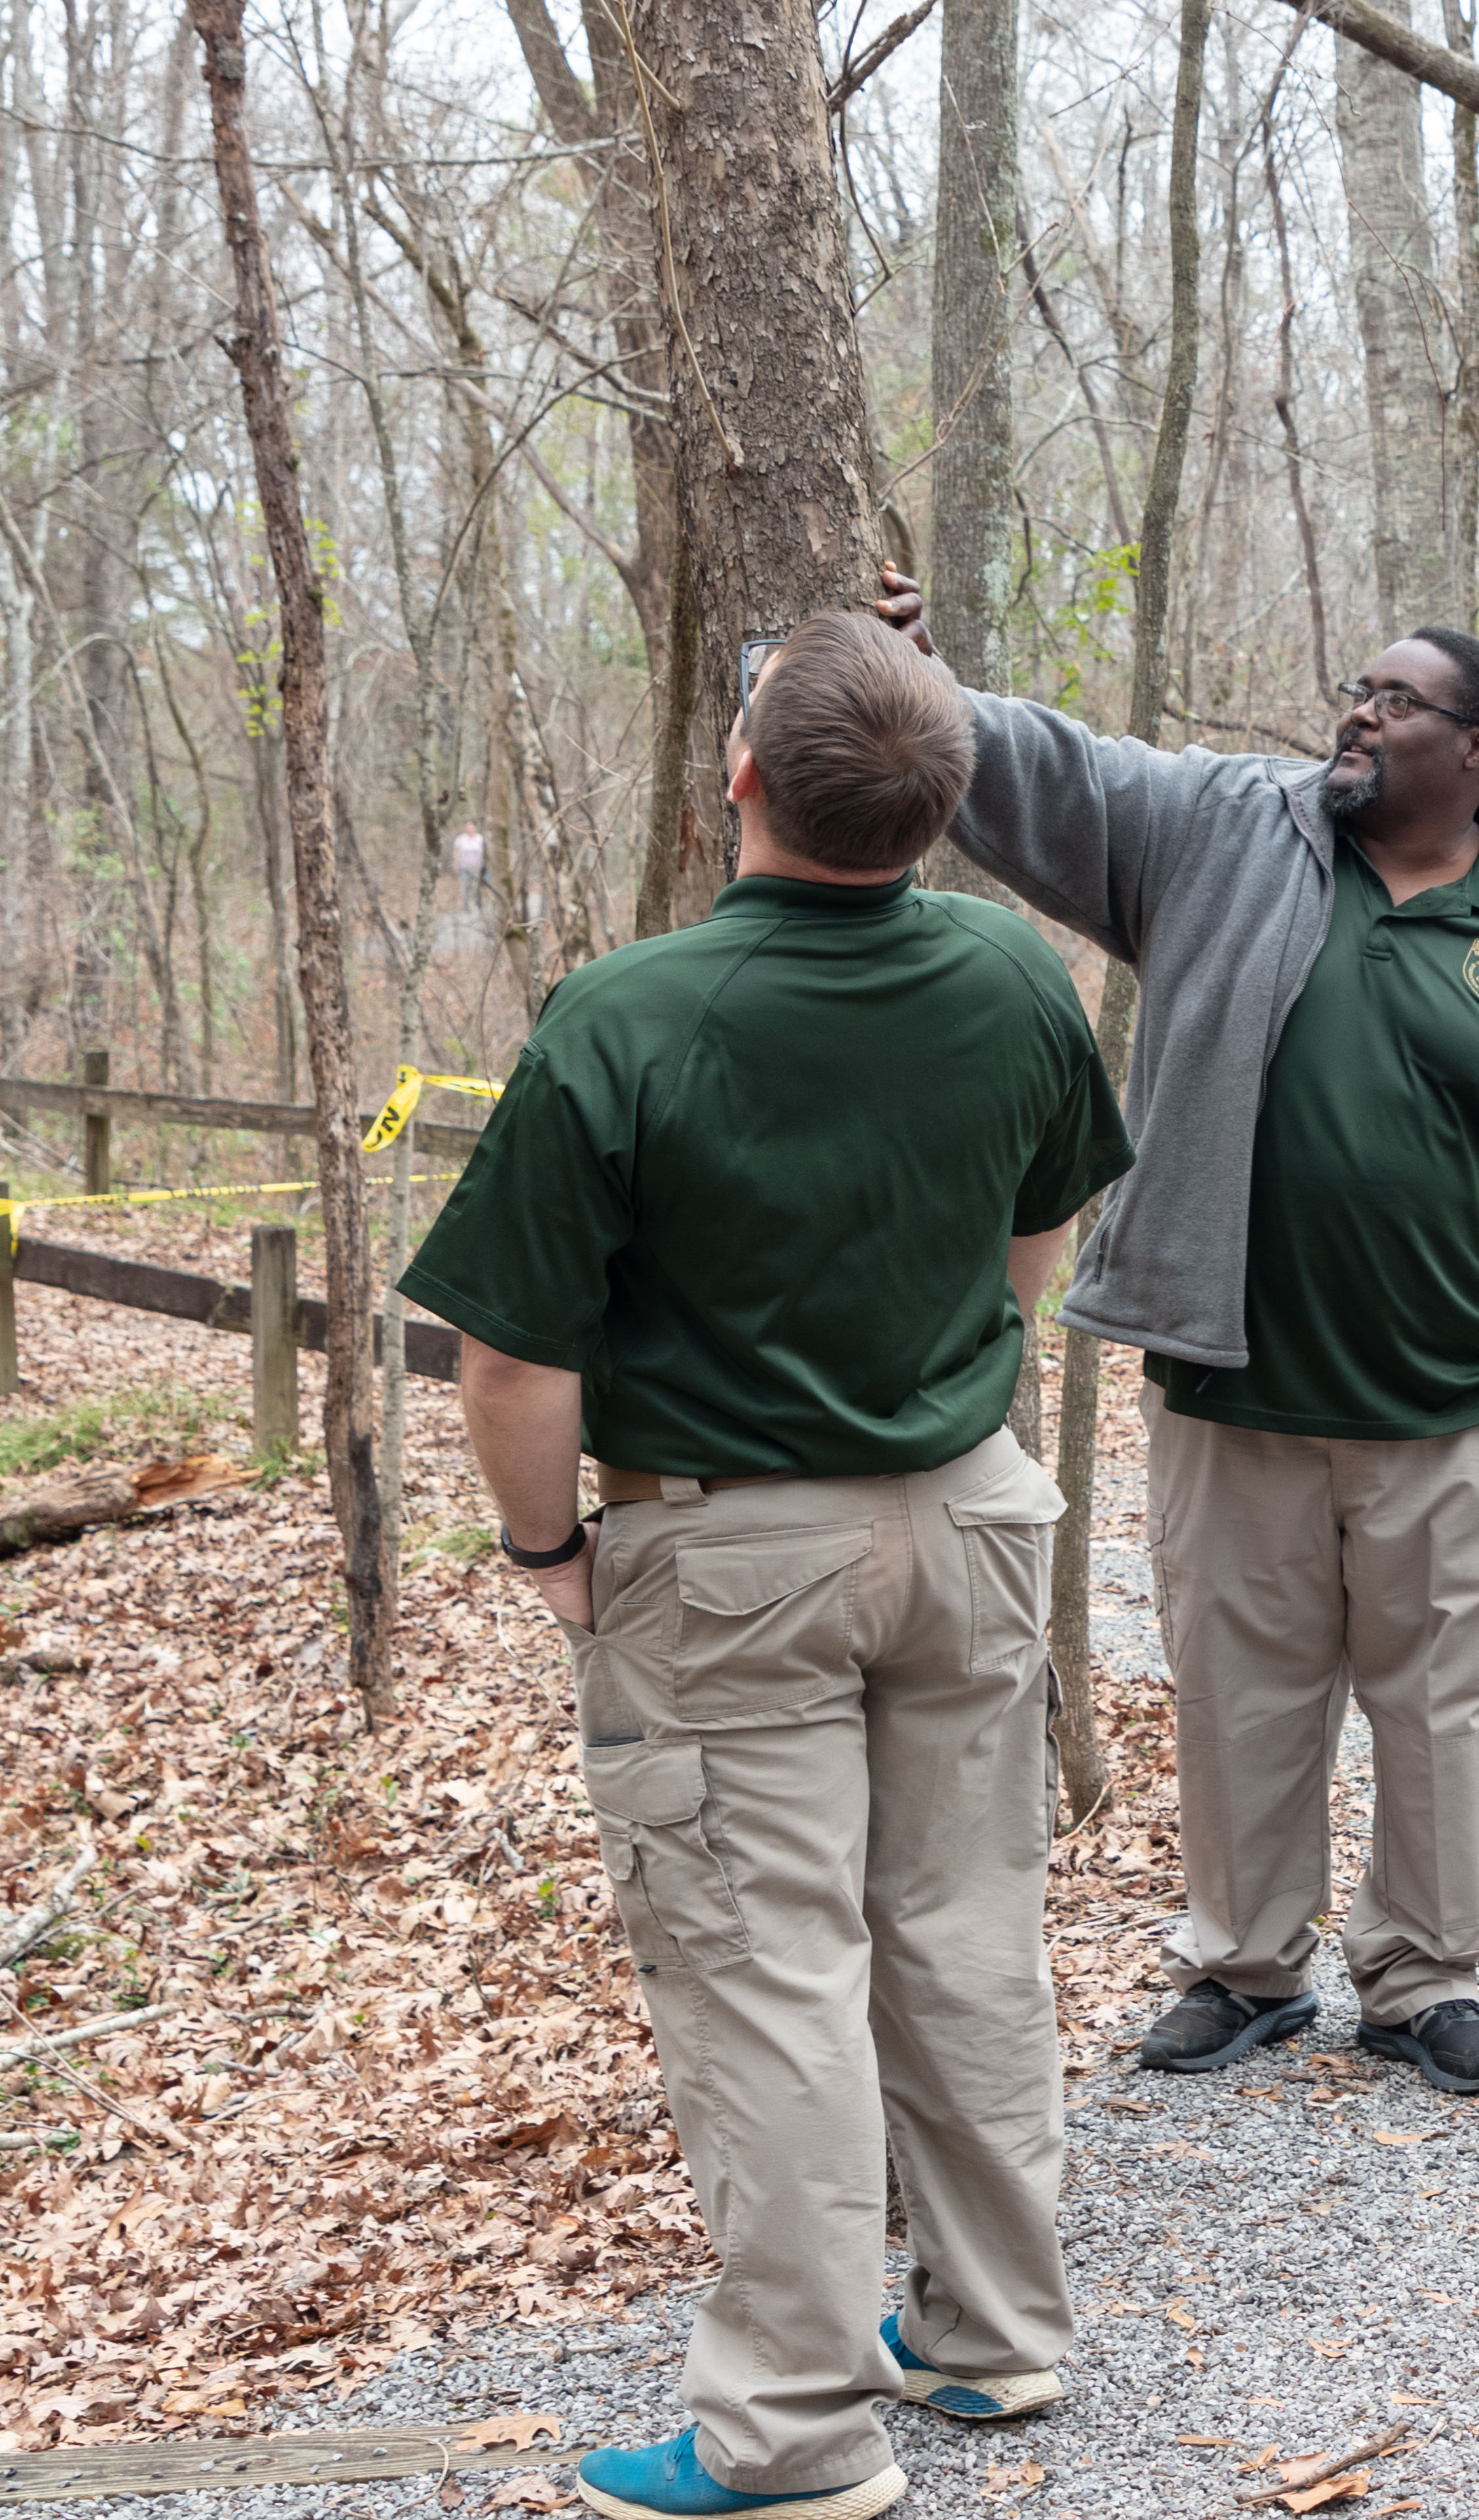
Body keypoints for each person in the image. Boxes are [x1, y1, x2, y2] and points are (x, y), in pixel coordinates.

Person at [404, 612, 1133, 2520]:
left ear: (738, 780)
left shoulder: (628, 1014)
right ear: (940, 809)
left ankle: (792, 2433)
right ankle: (993, 2330)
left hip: (727, 1545)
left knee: (768, 1969)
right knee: (966, 1921)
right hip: (966, 1514)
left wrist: (548, 1543)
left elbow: (509, 1354)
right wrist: (939, 1371)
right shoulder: (1011, 970)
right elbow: (1034, 1240)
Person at [869, 567, 1479, 2095]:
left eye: (1396, 700)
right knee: (1241, 1691)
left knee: (1444, 1711)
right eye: (1356, 690)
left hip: (1462, 1410)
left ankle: (1423, 1980)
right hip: (1233, 1388)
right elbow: (1054, 772)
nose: (1356, 714)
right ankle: (1247, 1967)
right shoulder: (1228, 828)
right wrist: (927, 693)